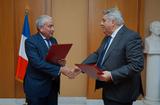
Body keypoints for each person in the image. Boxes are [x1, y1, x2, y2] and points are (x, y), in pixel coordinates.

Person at [81, 8, 144, 105]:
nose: (101, 23)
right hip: (108, 89)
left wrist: (111, 75)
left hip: (122, 92)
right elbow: (98, 54)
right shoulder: (108, 37)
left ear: (113, 22)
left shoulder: (131, 37)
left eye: (103, 20)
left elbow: (136, 65)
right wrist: (81, 67)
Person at [24, 15, 73, 105]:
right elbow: (37, 63)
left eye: (53, 26)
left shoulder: (54, 40)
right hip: (37, 87)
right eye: (50, 26)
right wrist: (60, 70)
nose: (53, 29)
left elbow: (53, 60)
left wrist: (61, 63)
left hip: (53, 86)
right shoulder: (30, 41)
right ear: (41, 28)